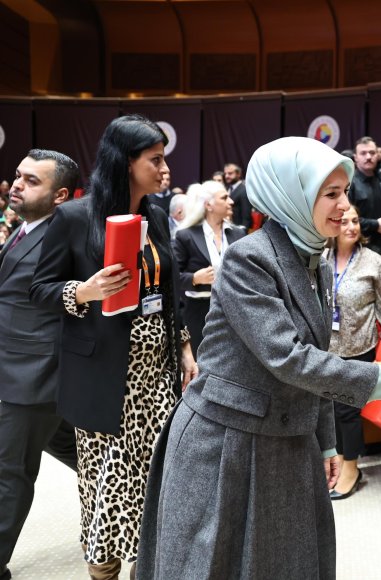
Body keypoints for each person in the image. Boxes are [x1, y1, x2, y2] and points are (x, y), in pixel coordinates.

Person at [135, 137, 381, 580]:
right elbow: (289, 358)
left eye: (345, 192)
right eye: (330, 194)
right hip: (226, 443)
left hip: (287, 437)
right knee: (215, 563)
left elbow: (316, 354)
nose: (344, 205)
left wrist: (327, 440)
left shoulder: (317, 257)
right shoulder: (248, 258)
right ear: (289, 195)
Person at [30, 115, 197, 579]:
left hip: (158, 376)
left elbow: (169, 297)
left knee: (159, 480)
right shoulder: (74, 217)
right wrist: (85, 291)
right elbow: (39, 291)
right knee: (108, 486)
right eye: (155, 160)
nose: (165, 169)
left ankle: (152, 566)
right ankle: (104, 570)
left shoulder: (157, 217)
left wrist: (184, 348)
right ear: (125, 163)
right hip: (104, 378)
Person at [0, 149, 79, 580]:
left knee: (9, 471)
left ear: (60, 196)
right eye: (17, 176)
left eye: (32, 181)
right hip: (14, 365)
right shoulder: (22, 227)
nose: (17, 184)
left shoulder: (64, 237)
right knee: (83, 451)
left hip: (34, 374)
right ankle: (150, 502)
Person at [326, 205, 381, 500]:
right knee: (329, 407)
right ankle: (335, 461)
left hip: (360, 347)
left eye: (356, 221)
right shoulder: (320, 260)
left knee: (347, 409)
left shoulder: (374, 262)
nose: (351, 227)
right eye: (344, 221)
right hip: (326, 347)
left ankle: (352, 468)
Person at [172, 181, 245, 356]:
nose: (231, 201)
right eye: (224, 197)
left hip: (234, 310)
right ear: (208, 205)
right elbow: (173, 277)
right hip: (199, 311)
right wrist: (195, 279)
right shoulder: (186, 236)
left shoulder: (238, 234)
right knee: (201, 364)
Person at [348, 136, 381, 265]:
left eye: (372, 153)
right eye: (363, 153)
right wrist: (375, 225)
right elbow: (345, 220)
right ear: (355, 157)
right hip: (357, 250)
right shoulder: (350, 184)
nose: (368, 157)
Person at [224, 162, 252, 231]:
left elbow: (246, 216)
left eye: (230, 173)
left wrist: (243, 232)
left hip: (238, 230)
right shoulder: (226, 189)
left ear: (238, 174)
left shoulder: (244, 190)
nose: (226, 176)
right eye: (225, 173)